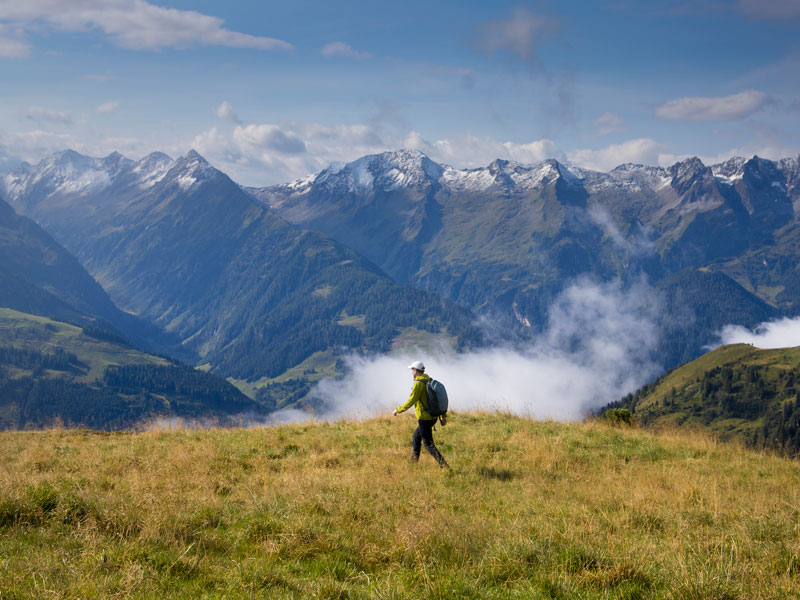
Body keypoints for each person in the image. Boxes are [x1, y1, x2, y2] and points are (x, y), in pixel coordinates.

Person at [392, 361, 449, 468]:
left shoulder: (418, 383)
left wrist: (398, 410)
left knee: (428, 444)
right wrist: (443, 416)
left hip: (424, 418)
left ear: (416, 370)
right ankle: (413, 464)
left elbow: (412, 400)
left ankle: (444, 466)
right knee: (416, 437)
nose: (411, 372)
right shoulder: (428, 379)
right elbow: (438, 400)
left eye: (412, 369)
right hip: (433, 417)